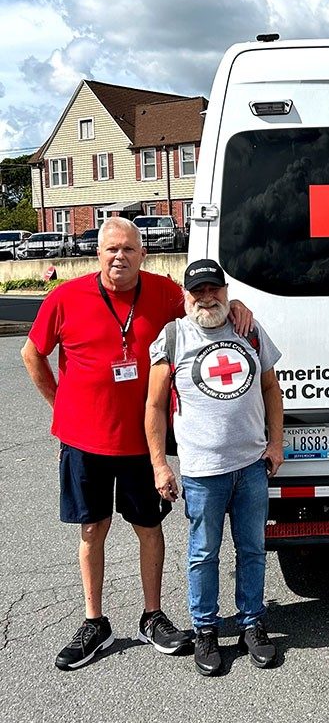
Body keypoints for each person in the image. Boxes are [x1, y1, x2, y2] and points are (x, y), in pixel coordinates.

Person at [20, 217, 253, 670]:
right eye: (110, 249)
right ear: (97, 254)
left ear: (142, 253)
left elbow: (204, 306)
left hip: (142, 445)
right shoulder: (65, 298)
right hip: (83, 442)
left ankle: (152, 616)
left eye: (128, 248)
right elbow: (32, 352)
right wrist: (59, 403)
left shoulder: (164, 292)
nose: (119, 257)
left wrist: (239, 303)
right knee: (93, 530)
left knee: (149, 528)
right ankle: (94, 621)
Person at [145, 259, 284, 677]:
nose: (207, 298)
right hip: (203, 470)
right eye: (197, 291)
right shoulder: (173, 336)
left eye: (214, 290)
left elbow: (271, 388)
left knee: (253, 550)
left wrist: (276, 444)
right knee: (203, 554)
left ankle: (252, 624)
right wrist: (160, 466)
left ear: (226, 291)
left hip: (251, 465)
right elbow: (153, 405)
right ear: (186, 297)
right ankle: (205, 629)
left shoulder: (249, 331)